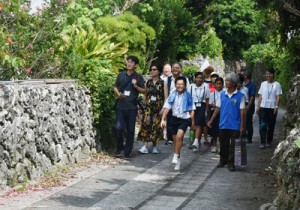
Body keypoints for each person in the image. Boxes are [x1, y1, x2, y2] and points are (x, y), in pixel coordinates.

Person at [207, 72, 246, 171]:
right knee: (223, 144)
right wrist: (211, 120)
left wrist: (242, 126)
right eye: (226, 80)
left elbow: (242, 113)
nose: (226, 82)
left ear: (233, 83)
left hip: (235, 125)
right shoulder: (222, 94)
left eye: (228, 81)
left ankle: (231, 163)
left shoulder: (240, 96)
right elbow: (217, 109)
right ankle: (223, 160)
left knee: (233, 145)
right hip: (223, 123)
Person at [113, 56, 146, 159]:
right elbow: (115, 87)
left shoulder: (138, 77)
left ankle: (127, 152)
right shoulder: (121, 75)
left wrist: (136, 86)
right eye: (128, 62)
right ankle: (119, 148)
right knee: (118, 128)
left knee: (131, 130)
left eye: (131, 62)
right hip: (120, 106)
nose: (129, 64)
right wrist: (118, 94)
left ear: (136, 65)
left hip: (132, 107)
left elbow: (144, 90)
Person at [161, 76, 195, 171]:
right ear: (175, 85)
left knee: (180, 137)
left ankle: (175, 155)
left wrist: (192, 122)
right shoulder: (172, 94)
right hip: (173, 119)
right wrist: (163, 119)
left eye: (182, 84)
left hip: (184, 119)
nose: (180, 86)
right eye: (178, 84)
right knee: (176, 141)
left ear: (185, 85)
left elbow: (192, 110)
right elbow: (167, 107)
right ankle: (178, 159)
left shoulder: (188, 96)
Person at [138, 64, 166, 154]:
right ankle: (145, 146)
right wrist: (141, 106)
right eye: (151, 69)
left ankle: (154, 146)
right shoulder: (148, 82)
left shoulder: (163, 83)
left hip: (158, 107)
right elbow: (146, 95)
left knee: (156, 126)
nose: (152, 71)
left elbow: (166, 97)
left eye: (154, 69)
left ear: (158, 71)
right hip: (149, 107)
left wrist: (164, 108)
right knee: (146, 124)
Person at [164, 62, 190, 145]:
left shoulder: (185, 79)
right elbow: (166, 93)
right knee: (170, 120)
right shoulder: (167, 79)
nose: (175, 69)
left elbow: (188, 92)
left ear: (181, 69)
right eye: (174, 67)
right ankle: (171, 138)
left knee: (180, 120)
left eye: (177, 67)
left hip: (181, 103)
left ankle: (179, 139)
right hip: (171, 102)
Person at [256, 68, 282, 148]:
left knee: (271, 125)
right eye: (267, 74)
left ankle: (269, 141)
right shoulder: (263, 84)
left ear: (273, 74)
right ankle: (262, 142)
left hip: (272, 108)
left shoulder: (277, 84)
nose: (268, 75)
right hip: (263, 107)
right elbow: (260, 95)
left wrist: (276, 106)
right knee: (262, 125)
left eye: (270, 74)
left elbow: (278, 96)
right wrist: (258, 106)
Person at [188, 72, 210, 152]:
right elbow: (188, 98)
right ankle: (193, 141)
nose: (199, 79)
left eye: (201, 78)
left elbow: (207, 99)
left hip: (202, 105)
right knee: (192, 124)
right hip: (192, 106)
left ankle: (196, 142)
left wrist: (207, 110)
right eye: (198, 77)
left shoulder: (205, 86)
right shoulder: (190, 86)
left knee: (199, 124)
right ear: (195, 78)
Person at [208, 77, 224, 153]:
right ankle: (214, 145)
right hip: (214, 112)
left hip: (222, 113)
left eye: (220, 84)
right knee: (214, 130)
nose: (218, 85)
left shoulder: (225, 93)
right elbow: (209, 104)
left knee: (221, 130)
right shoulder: (212, 93)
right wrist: (213, 105)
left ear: (222, 84)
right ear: (214, 85)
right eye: (217, 84)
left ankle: (221, 145)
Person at [242, 67, 257, 143]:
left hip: (248, 106)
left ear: (246, 76)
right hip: (242, 105)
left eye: (243, 74)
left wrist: (249, 106)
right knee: (243, 121)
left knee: (248, 122)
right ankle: (243, 135)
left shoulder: (252, 85)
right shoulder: (242, 84)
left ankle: (249, 137)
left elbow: (252, 96)